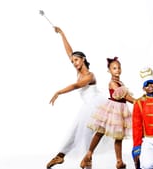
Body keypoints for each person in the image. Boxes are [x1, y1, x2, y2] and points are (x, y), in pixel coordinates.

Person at [46, 26, 106, 168]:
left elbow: (75, 86)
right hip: (87, 107)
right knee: (75, 131)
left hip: (96, 105)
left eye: (76, 60)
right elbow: (69, 51)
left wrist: (58, 92)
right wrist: (62, 34)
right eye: (72, 61)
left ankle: (85, 162)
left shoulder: (89, 75)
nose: (74, 63)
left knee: (85, 135)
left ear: (83, 59)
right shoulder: (78, 69)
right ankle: (61, 156)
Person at [79, 57, 135, 169]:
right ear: (109, 71)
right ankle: (88, 155)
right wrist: (136, 101)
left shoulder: (120, 82)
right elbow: (124, 95)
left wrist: (135, 100)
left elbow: (125, 95)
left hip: (121, 110)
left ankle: (119, 161)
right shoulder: (113, 83)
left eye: (119, 68)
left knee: (119, 136)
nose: (117, 70)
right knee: (100, 131)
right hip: (113, 109)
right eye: (114, 68)